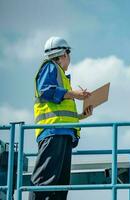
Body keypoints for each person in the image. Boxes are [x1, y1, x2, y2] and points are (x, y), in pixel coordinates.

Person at [29, 36, 93, 200]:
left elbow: (60, 109)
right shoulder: (50, 67)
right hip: (52, 131)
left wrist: (81, 116)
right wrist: (75, 95)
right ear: (64, 54)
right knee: (45, 181)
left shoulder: (61, 77)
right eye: (69, 54)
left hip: (62, 132)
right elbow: (45, 91)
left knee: (60, 185)